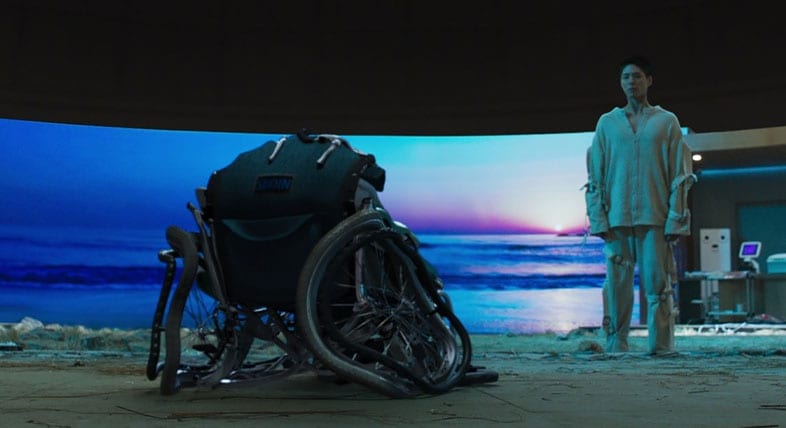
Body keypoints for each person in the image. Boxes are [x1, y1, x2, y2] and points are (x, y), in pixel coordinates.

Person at [584, 56, 696, 354]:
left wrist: (675, 218)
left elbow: (679, 172)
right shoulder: (607, 123)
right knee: (616, 286)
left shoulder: (666, 121)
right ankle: (616, 344)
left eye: (636, 76)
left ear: (649, 80)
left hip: (655, 214)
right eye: (625, 77)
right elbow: (596, 174)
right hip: (617, 217)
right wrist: (598, 218)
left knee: (658, 285)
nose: (631, 82)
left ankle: (661, 347)